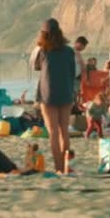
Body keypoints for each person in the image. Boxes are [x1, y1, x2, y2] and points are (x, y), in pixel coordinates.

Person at [34, 18, 76, 172]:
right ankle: (66, 166)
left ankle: (58, 167)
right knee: (64, 129)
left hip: (48, 93)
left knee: (53, 131)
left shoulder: (42, 51)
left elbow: (36, 67)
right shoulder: (69, 51)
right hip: (66, 91)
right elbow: (73, 72)